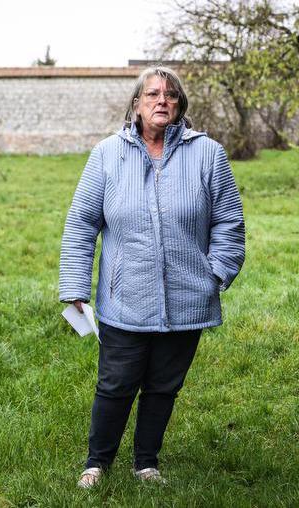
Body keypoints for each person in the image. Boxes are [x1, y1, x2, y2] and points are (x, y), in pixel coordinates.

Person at [58, 66, 245, 488]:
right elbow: (81, 223)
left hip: (187, 297)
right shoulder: (107, 154)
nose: (162, 100)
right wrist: (75, 286)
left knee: (163, 387)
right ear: (136, 105)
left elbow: (229, 222)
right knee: (115, 384)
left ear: (180, 105)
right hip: (125, 296)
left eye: (171, 94)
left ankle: (146, 463)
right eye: (153, 94)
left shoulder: (208, 154)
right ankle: (97, 463)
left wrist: (213, 275)